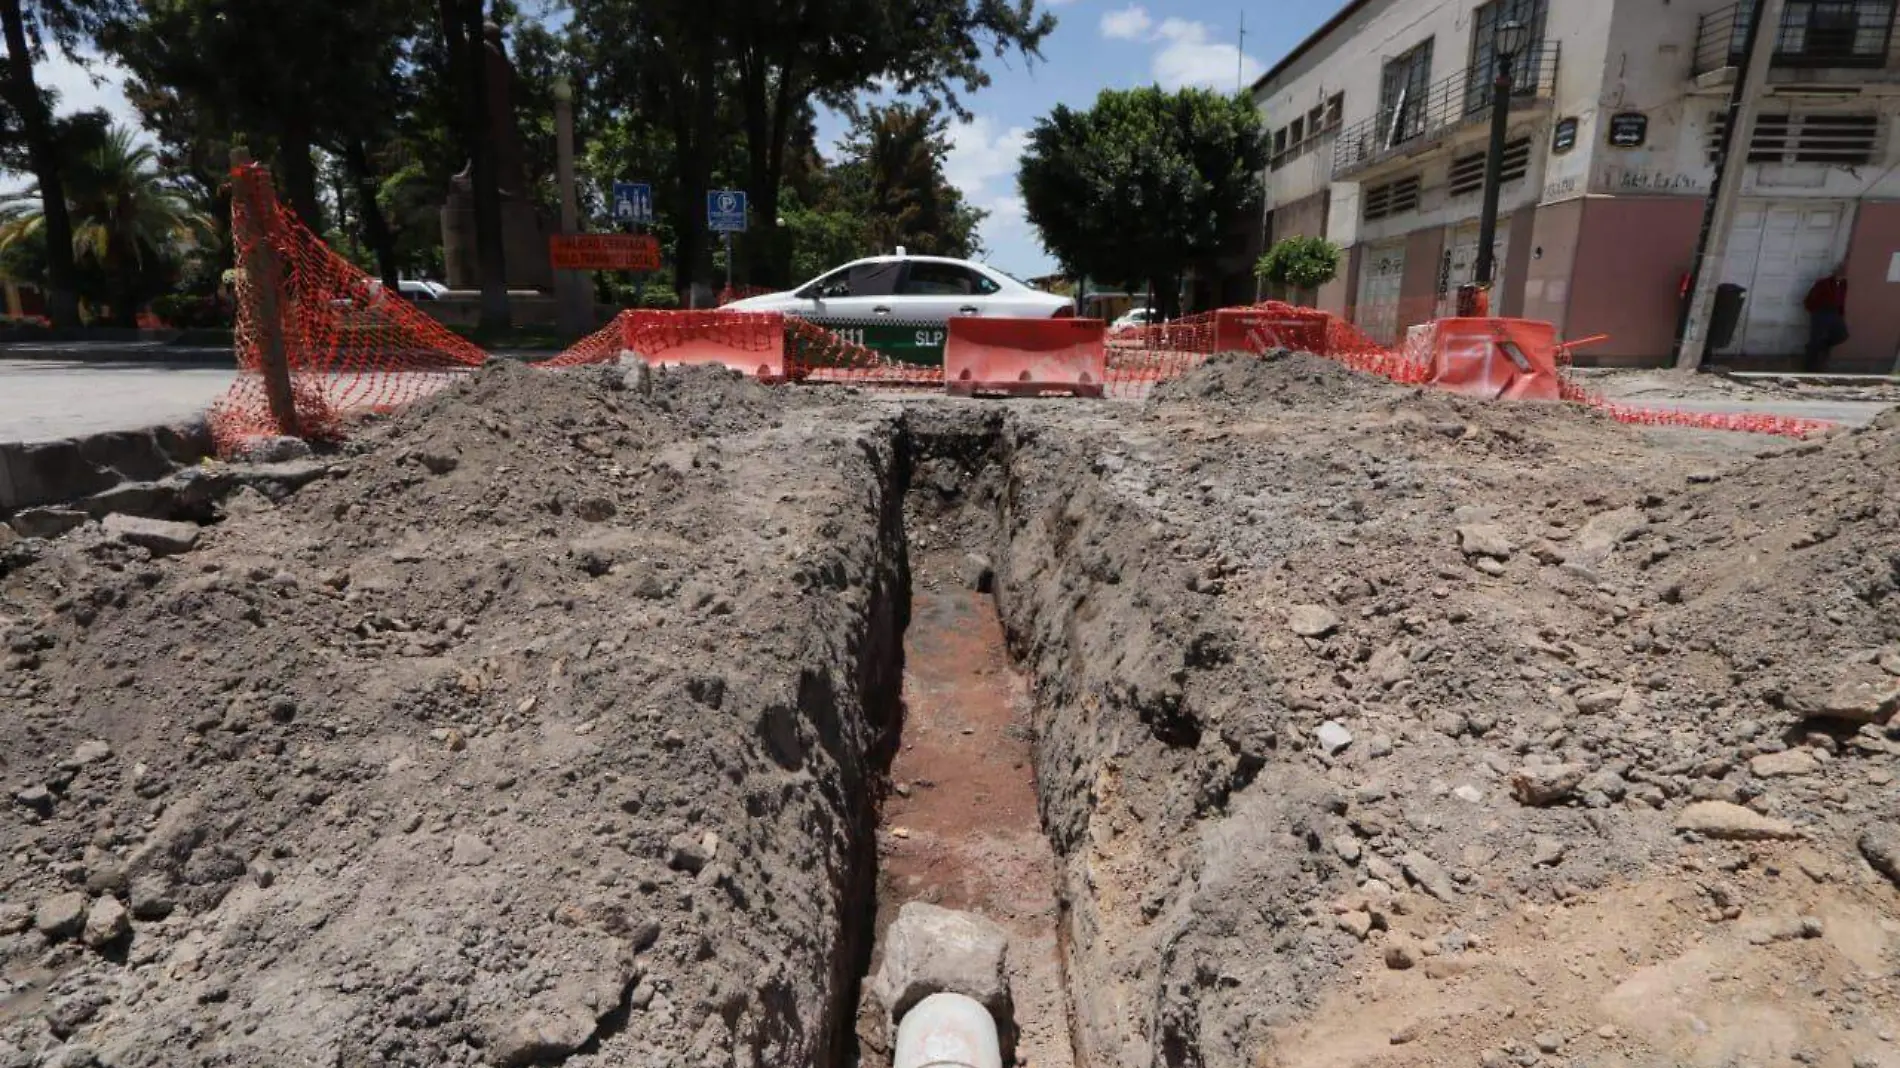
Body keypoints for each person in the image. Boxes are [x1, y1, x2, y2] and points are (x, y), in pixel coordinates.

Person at [1802, 264, 1849, 372]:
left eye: (1844, 272)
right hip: (1821, 312)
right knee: (1816, 340)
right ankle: (1810, 367)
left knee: (1842, 335)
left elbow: (1841, 300)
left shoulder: (1843, 284)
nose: (1842, 274)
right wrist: (1816, 311)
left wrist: (1840, 313)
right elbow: (1810, 299)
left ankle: (1824, 346)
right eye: (1840, 271)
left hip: (1834, 313)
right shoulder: (1823, 283)